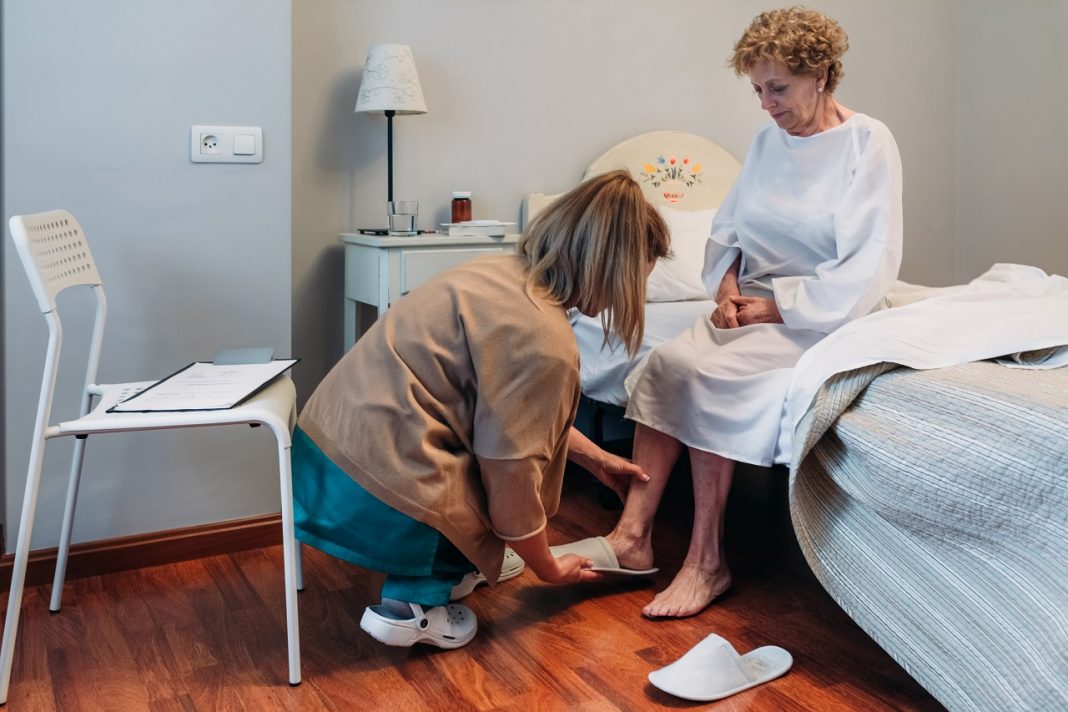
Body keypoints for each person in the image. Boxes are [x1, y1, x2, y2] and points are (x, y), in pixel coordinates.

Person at [594, 6, 904, 618]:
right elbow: (729, 228)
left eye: (778, 88)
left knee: (710, 377)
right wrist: (727, 288)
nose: (766, 104)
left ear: (820, 75)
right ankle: (632, 536)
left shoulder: (868, 142)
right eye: (758, 89)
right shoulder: (767, 141)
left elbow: (868, 265)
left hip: (819, 312)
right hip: (751, 303)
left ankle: (707, 561)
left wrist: (774, 308)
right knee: (665, 363)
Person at [292, 169, 670, 648]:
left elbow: (512, 416)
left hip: (320, 464)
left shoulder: (497, 274)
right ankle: (411, 607)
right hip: (374, 490)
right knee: (481, 483)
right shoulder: (545, 340)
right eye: (635, 280)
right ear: (609, 267)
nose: (630, 295)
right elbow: (511, 468)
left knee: (473, 457)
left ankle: (444, 568)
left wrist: (597, 460)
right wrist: (547, 567)